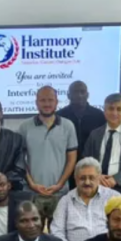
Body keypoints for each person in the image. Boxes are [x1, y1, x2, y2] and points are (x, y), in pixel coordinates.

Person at [19, 86, 78, 227]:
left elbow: (72, 159)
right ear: (36, 103)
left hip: (60, 192)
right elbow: (20, 159)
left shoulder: (68, 126)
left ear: (57, 102)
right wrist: (32, 184)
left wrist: (60, 184)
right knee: (32, 231)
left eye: (50, 100)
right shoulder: (24, 127)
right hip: (32, 192)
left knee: (58, 232)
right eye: (43, 100)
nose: (47, 104)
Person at [50, 157, 121, 241]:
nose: (87, 182)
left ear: (99, 177)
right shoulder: (66, 201)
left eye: (91, 178)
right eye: (82, 178)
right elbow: (56, 232)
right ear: (75, 179)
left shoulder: (114, 198)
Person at [58, 81, 106, 159]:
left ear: (87, 95)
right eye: (75, 92)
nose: (79, 95)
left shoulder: (99, 115)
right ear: (68, 95)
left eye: (82, 92)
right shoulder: (60, 116)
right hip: (66, 161)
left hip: (92, 162)